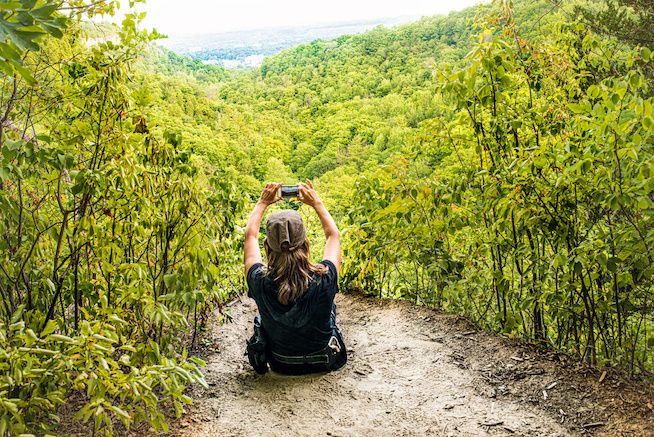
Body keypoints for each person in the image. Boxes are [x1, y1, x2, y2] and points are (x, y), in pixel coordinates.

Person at [243, 180, 347, 375]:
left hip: (281, 364)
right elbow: (333, 236)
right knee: (330, 308)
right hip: (324, 361)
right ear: (305, 244)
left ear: (267, 247)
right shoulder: (325, 278)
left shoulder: (259, 281)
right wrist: (316, 202)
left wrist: (262, 203)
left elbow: (250, 236)